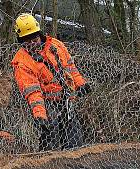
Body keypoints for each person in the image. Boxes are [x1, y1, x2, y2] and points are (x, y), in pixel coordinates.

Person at [11, 13, 91, 151]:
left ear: (39, 34)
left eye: (34, 39)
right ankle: (47, 167)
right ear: (21, 41)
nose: (32, 44)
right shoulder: (22, 61)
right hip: (48, 103)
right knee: (50, 133)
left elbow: (70, 67)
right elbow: (32, 91)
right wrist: (40, 114)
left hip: (66, 98)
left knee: (74, 137)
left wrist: (80, 83)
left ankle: (76, 164)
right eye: (27, 41)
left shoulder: (56, 45)